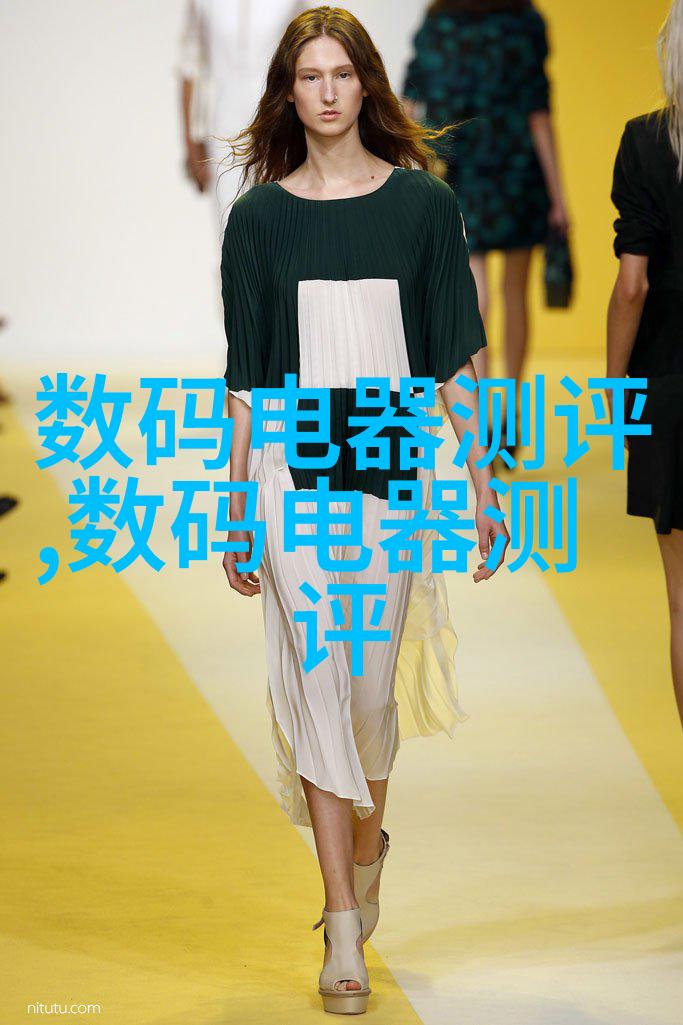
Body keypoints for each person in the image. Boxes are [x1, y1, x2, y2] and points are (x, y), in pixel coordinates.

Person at [220, 5, 510, 1012]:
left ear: (367, 85)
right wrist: (234, 502)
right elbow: (246, 380)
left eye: (342, 73)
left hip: (385, 453)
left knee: (368, 693)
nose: (328, 91)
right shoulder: (257, 220)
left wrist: (481, 483)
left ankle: (367, 843)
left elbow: (452, 358)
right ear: (288, 94)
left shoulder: (423, 206)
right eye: (309, 76)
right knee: (313, 674)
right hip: (289, 461)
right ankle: (341, 918)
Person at [401, 0, 570, 450]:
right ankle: (508, 412)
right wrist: (559, 196)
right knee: (515, 293)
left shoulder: (440, 21)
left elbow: (412, 104)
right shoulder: (523, 20)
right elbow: (538, 112)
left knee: (476, 296)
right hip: (518, 171)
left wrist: (404, 172)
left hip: (461, 170)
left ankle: (480, 414)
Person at [608, 0, 683, 728]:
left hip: (668, 381)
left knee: (682, 602)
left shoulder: (645, 141)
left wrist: (613, 386)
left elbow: (632, 285)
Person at [177, 0, 318, 234]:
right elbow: (189, 64)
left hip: (280, 126)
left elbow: (310, 56)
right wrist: (191, 147)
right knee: (231, 229)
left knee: (281, 230)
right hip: (223, 129)